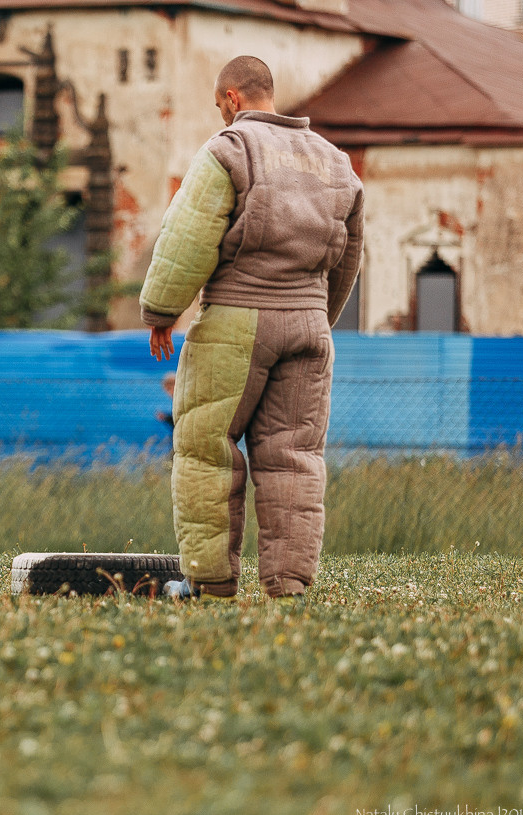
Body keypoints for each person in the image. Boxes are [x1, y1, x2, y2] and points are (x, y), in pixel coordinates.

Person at [138, 56, 364, 603]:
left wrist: (161, 309)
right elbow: (350, 257)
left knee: (205, 448)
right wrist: (318, 320)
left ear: (233, 98)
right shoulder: (337, 164)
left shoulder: (231, 149)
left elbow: (190, 234)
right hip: (310, 326)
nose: (222, 117)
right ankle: (287, 585)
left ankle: (212, 582)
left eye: (221, 107)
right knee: (294, 456)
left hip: (236, 323)